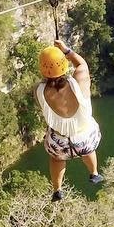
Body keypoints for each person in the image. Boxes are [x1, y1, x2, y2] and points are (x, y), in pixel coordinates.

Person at [36, 40, 103, 201]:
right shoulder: (79, 81)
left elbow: (48, 88)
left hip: (59, 142)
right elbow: (81, 64)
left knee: (56, 158)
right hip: (84, 136)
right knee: (88, 149)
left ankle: (57, 190)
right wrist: (66, 50)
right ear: (64, 65)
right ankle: (94, 173)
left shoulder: (39, 91)